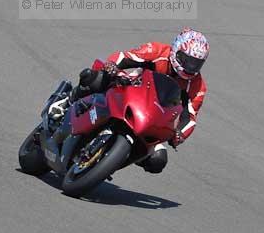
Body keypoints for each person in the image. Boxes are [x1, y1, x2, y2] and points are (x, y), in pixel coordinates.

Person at [49, 28, 209, 174]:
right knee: (96, 78)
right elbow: (125, 57)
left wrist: (180, 134)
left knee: (158, 160)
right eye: (186, 60)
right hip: (129, 89)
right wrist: (112, 66)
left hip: (152, 119)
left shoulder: (197, 86)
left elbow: (190, 117)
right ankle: (66, 102)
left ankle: (105, 165)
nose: (189, 67)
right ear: (176, 49)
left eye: (196, 63)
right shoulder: (157, 51)